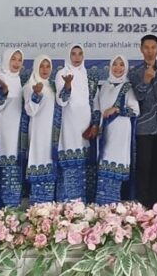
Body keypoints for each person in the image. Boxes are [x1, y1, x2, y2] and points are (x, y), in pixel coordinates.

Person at [128, 35, 157, 208]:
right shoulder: (134, 72)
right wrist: (146, 80)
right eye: (146, 48)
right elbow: (137, 97)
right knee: (144, 166)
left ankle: (155, 204)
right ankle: (142, 204)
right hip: (144, 126)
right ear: (141, 49)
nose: (150, 51)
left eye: (153, 47)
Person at [55, 44, 99, 202]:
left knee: (85, 167)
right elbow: (61, 101)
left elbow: (95, 102)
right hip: (69, 126)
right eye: (73, 54)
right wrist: (67, 85)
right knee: (70, 165)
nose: (77, 57)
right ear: (68, 56)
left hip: (86, 128)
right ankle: (66, 205)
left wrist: (95, 124)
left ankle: (83, 205)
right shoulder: (62, 73)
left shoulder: (89, 77)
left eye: (80, 54)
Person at [94, 55, 139, 205]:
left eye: (121, 65)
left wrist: (117, 110)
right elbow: (99, 109)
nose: (118, 68)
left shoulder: (127, 87)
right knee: (103, 169)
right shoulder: (105, 86)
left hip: (120, 132)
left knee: (115, 168)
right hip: (105, 132)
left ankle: (112, 207)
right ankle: (101, 208)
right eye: (115, 64)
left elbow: (135, 111)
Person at [0, 49, 26, 207]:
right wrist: (2, 93)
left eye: (19, 60)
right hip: (4, 129)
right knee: (5, 164)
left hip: (18, 129)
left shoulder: (17, 79)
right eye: (13, 59)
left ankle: (13, 205)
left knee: (15, 168)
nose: (16, 63)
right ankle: (3, 207)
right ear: (6, 60)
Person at [24, 55, 62, 204]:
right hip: (38, 133)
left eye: (48, 66)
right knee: (39, 162)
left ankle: (48, 210)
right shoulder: (30, 86)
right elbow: (30, 111)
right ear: (36, 67)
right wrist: (36, 94)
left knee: (50, 167)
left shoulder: (52, 87)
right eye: (41, 66)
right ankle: (37, 206)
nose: (45, 70)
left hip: (52, 134)